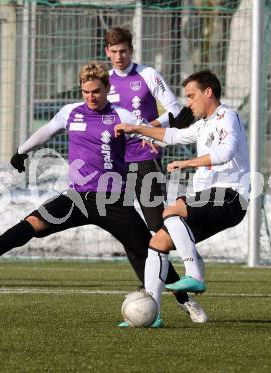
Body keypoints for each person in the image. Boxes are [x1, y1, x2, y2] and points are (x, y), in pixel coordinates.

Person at [0, 62, 187, 327]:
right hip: (78, 197)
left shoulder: (122, 115)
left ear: (107, 88)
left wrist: (165, 134)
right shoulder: (70, 112)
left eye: (95, 91)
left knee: (146, 249)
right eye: (85, 91)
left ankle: (188, 302)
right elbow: (47, 130)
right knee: (35, 221)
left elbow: (149, 131)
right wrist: (21, 150)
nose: (90, 97)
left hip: (111, 200)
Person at [114, 70, 250, 323]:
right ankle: (152, 314)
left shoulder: (227, 117)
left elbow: (225, 153)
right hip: (209, 199)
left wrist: (187, 162)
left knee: (172, 210)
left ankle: (194, 274)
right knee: (158, 243)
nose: (188, 103)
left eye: (191, 96)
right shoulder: (203, 125)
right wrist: (136, 129)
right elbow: (173, 136)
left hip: (231, 197)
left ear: (208, 92)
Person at [104, 27, 205, 323]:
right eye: (114, 51)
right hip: (116, 166)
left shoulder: (148, 74)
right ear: (107, 52)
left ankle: (190, 274)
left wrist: (149, 128)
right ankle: (157, 304)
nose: (120, 56)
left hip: (145, 159)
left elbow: (175, 110)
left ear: (131, 50)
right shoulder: (103, 81)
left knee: (158, 227)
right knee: (130, 236)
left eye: (124, 51)